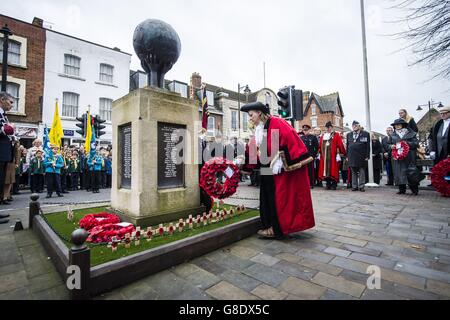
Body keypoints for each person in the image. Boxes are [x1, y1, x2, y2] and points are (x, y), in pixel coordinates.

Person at [240, 102, 315, 239]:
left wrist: (281, 158)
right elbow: (258, 150)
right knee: (266, 196)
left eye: (251, 115)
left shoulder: (276, 122)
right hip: (267, 168)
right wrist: (243, 162)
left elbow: (290, 139)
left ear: (260, 113)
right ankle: (268, 226)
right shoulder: (259, 128)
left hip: (277, 170)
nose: (249, 118)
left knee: (276, 198)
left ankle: (276, 228)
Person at [389, 119, 420, 195]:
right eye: (396, 125)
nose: (397, 126)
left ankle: (414, 190)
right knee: (399, 173)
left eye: (399, 124)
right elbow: (388, 145)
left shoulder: (411, 133)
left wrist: (406, 143)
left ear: (403, 125)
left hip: (409, 156)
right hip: (398, 157)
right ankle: (401, 189)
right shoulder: (392, 135)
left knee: (411, 172)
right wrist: (391, 146)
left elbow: (416, 143)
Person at [318, 121, 346, 190]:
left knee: (333, 170)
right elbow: (320, 146)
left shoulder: (336, 135)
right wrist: (319, 153)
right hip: (324, 157)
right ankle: (328, 184)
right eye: (327, 127)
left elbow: (340, 144)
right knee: (325, 170)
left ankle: (334, 184)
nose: (328, 129)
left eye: (329, 127)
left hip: (333, 156)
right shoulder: (323, 136)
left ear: (332, 127)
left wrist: (342, 153)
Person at [0, 92, 15, 220]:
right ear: (2, 100)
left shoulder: (3, 115)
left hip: (4, 153)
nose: (11, 105)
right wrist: (10, 128)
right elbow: (3, 130)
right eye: (10, 102)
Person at [346, 121, 370, 191]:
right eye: (353, 125)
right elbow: (347, 146)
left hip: (361, 156)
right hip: (351, 156)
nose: (354, 126)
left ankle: (361, 186)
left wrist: (367, 155)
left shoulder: (365, 134)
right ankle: (354, 186)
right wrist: (347, 156)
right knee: (353, 171)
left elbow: (368, 146)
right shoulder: (349, 134)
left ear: (359, 126)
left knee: (362, 171)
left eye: (356, 125)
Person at [300, 124, 319, 188]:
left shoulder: (313, 137)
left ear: (309, 130)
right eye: (304, 130)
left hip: (310, 157)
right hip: (303, 157)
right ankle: (304, 183)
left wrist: (313, 156)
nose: (305, 131)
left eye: (306, 130)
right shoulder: (301, 138)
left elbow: (316, 147)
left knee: (310, 170)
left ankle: (311, 183)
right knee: (303, 171)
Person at [3, 135, 20, 203]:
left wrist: (17, 163)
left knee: (9, 181)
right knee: (3, 181)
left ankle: (5, 197)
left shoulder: (14, 139)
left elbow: (17, 152)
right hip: (3, 162)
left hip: (10, 163)